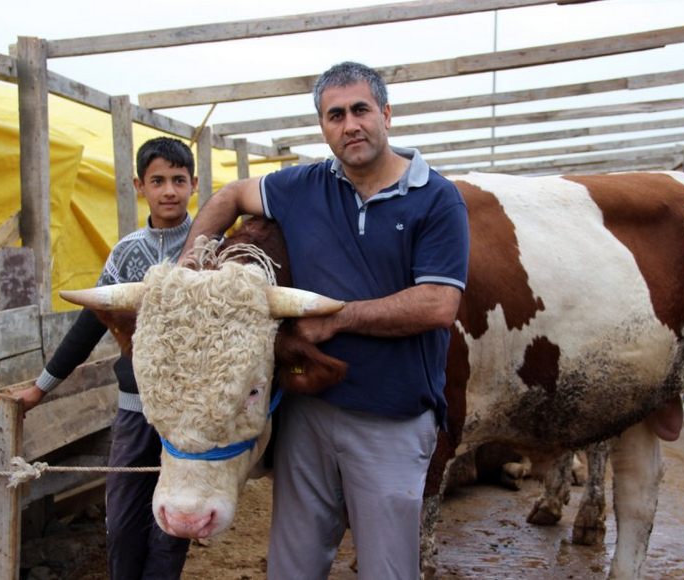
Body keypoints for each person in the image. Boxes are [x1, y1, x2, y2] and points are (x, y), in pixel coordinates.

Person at [178, 61, 470, 579]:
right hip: (308, 413)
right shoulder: (301, 186)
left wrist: (337, 319)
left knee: (385, 568)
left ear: (386, 113)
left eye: (360, 110)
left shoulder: (436, 198)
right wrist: (189, 271)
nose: (349, 125)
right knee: (292, 566)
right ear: (323, 127)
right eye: (335, 115)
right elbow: (227, 197)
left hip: (391, 418)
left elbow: (437, 304)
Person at [13, 137, 198, 579]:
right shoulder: (125, 254)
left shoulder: (210, 248)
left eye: (178, 180)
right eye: (158, 181)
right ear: (140, 186)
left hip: (190, 417)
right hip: (134, 410)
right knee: (123, 520)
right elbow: (89, 325)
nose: (169, 190)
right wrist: (40, 388)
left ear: (194, 184)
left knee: (172, 522)